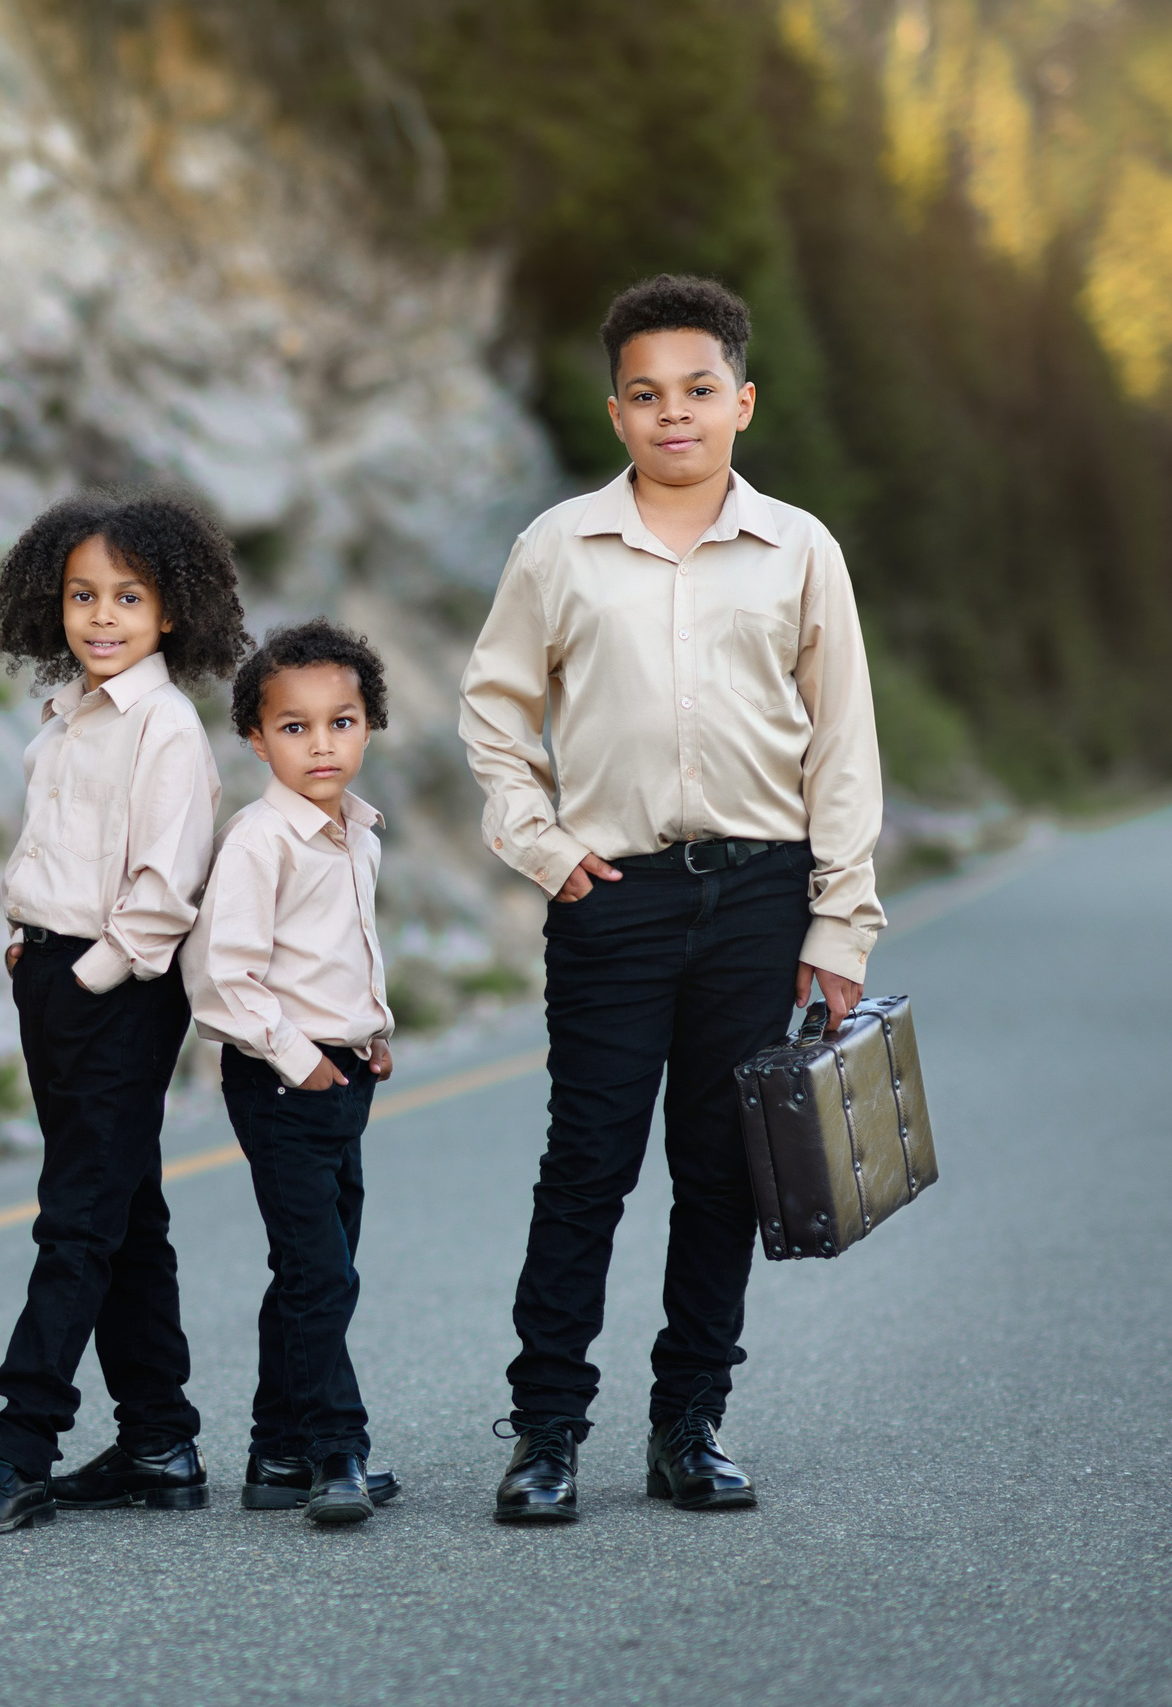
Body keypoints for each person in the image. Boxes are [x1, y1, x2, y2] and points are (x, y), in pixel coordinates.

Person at [458, 273, 884, 1523]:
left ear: (741, 402)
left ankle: (689, 1425)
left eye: (699, 391)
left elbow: (842, 747)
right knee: (584, 1166)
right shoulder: (559, 548)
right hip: (612, 898)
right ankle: (544, 1435)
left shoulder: (799, 549)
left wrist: (839, 920)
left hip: (758, 895)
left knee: (719, 1173)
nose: (674, 415)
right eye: (647, 396)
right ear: (616, 413)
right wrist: (539, 845)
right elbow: (493, 708)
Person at [0, 493, 250, 1537]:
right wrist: (29, 944)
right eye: (82, 596)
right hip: (49, 976)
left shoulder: (164, 729)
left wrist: (85, 977)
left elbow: (161, 894)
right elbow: (54, 856)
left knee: (76, 1221)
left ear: (172, 611)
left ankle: (17, 1448)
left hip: (114, 993)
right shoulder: (66, 719)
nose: (101, 617)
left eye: (128, 598)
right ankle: (158, 1440)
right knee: (123, 1210)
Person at [181, 620, 404, 1525]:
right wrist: (305, 1058)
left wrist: (370, 1032)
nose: (322, 744)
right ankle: (334, 1448)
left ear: (369, 724)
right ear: (256, 737)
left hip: (342, 1075)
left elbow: (343, 951)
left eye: (341, 722)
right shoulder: (258, 841)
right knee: (323, 1274)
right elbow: (220, 977)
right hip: (283, 1083)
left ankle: (275, 1452)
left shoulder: (360, 834)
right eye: (295, 727)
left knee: (316, 1266)